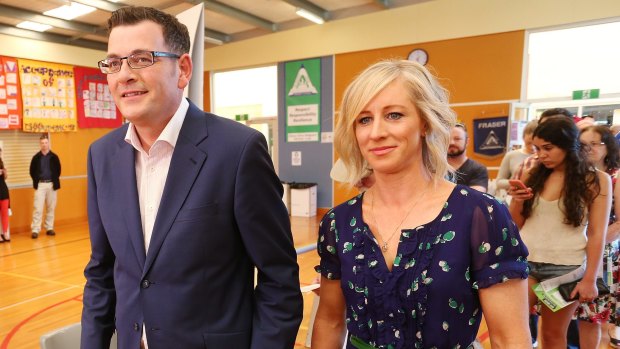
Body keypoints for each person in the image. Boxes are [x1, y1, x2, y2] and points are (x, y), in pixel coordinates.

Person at [81, 7, 303, 349]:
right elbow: (101, 274)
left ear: (182, 69)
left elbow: (279, 278)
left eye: (141, 59)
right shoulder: (101, 156)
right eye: (114, 62)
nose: (123, 75)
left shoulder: (238, 150)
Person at [313, 59, 531, 348]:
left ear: (425, 122)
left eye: (393, 115)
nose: (376, 132)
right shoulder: (338, 223)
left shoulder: (480, 214)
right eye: (364, 119)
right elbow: (330, 321)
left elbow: (509, 337)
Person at [509, 117, 612, 349]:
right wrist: (517, 200)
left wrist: (589, 280)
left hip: (565, 269)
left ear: (568, 145)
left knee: (553, 335)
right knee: (513, 329)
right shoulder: (533, 173)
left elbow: (597, 233)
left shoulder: (597, 180)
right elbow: (514, 223)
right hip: (526, 263)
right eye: (537, 149)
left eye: (548, 148)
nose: (541, 154)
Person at [573, 125, 620, 348]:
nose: (588, 149)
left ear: (608, 147)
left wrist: (592, 245)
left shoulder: (615, 177)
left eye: (595, 143)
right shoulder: (575, 176)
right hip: (570, 252)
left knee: (592, 317)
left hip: (602, 254)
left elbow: (619, 223)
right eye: (583, 144)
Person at [495, 119, 538, 202]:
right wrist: (518, 183)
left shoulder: (544, 158)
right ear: (523, 137)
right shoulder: (511, 155)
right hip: (514, 200)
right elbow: (499, 182)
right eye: (529, 143)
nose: (532, 147)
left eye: (535, 145)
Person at [29, 134, 61, 239]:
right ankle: (35, 229)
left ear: (48, 143)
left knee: (51, 207)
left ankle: (49, 228)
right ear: (40, 144)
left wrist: (53, 180)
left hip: (52, 184)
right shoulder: (36, 158)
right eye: (42, 143)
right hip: (40, 185)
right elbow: (32, 171)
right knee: (38, 208)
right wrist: (37, 181)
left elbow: (58, 170)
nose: (44, 145)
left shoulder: (54, 157)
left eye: (46, 143)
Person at [448, 123, 489, 192]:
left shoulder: (478, 169)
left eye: (457, 139)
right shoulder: (434, 168)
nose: (451, 142)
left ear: (467, 142)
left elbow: (474, 198)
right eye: (447, 139)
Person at [0, 148, 9, 243]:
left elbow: (5, 178)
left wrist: (5, 173)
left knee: (5, 213)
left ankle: (5, 232)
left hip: (3, 191)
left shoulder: (2, 162)